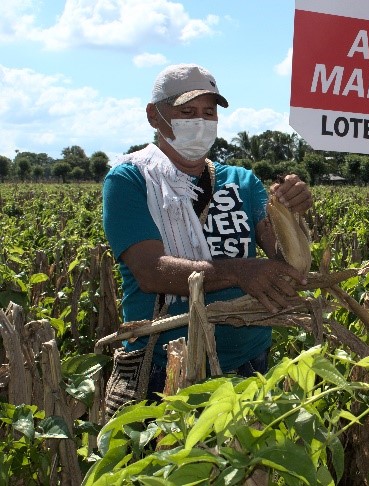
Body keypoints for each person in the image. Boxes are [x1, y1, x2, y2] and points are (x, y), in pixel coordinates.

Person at [102, 63, 311, 406]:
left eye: (208, 112)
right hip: (166, 364)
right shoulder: (129, 180)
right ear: (154, 116)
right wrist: (238, 271)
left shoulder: (243, 182)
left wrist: (293, 213)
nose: (199, 122)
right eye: (187, 112)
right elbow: (150, 271)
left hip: (249, 361)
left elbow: (286, 262)